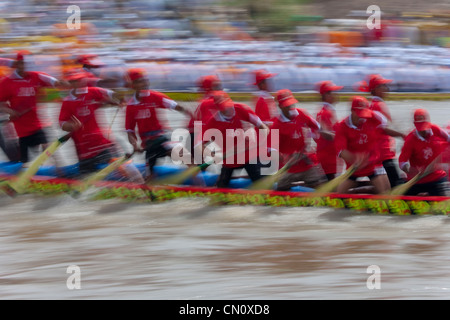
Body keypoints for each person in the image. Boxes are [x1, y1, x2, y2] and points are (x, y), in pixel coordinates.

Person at [124, 68, 192, 181]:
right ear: (133, 85)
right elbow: (130, 131)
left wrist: (189, 113)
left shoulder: (155, 96)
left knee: (187, 158)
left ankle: (201, 187)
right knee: (149, 178)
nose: (145, 83)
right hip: (149, 144)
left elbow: (175, 106)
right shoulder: (131, 106)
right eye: (141, 81)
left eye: (146, 80)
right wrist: (135, 146)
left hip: (162, 138)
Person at [0, 51, 66, 164]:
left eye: (29, 64)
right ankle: (22, 174)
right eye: (24, 64)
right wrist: (9, 110)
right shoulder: (7, 82)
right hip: (21, 129)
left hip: (38, 124)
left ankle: (62, 174)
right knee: (23, 162)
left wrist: (62, 84)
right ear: (18, 64)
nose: (27, 66)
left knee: (49, 149)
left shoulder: (36, 76)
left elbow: (55, 82)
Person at [196, 90, 269, 188]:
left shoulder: (242, 109)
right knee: (220, 191)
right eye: (225, 108)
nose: (229, 109)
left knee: (262, 187)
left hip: (249, 157)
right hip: (229, 161)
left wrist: (261, 140)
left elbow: (263, 127)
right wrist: (212, 155)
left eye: (229, 105)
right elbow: (198, 145)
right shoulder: (213, 122)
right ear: (218, 108)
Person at [59, 69, 125, 176]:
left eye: (81, 79)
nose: (80, 82)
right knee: (85, 176)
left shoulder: (92, 91)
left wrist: (119, 100)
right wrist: (70, 126)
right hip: (83, 149)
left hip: (100, 143)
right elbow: (62, 124)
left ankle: (128, 178)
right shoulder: (67, 102)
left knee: (116, 161)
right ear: (71, 83)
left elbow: (112, 94)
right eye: (75, 81)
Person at [334, 96, 405, 194]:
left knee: (385, 193)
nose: (362, 117)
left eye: (363, 114)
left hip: (373, 164)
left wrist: (401, 135)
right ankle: (357, 190)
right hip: (354, 166)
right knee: (339, 194)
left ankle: (367, 191)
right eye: (359, 114)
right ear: (352, 110)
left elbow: (383, 129)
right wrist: (355, 158)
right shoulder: (341, 126)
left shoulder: (373, 117)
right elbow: (341, 151)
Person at [270, 89, 327, 191]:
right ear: (280, 107)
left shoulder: (302, 114)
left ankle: (305, 188)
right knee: (279, 190)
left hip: (306, 164)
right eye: (287, 106)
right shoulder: (276, 125)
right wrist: (287, 158)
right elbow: (272, 151)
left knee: (322, 186)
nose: (291, 108)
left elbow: (319, 128)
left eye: (292, 104)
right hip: (288, 168)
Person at [358, 74, 404, 187]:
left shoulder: (371, 105)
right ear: (376, 89)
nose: (387, 89)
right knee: (395, 185)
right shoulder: (378, 105)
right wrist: (403, 135)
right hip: (384, 153)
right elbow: (384, 128)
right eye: (384, 86)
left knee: (387, 184)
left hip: (377, 152)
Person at [398, 109, 449, 196]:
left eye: (425, 127)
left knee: (441, 204)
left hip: (436, 177)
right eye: (420, 128)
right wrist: (410, 170)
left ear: (428, 122)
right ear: (415, 124)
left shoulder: (436, 130)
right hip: (417, 180)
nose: (423, 131)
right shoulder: (410, 140)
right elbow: (402, 162)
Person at [187, 75, 222, 158]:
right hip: (199, 134)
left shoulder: (203, 99)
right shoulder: (212, 100)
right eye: (217, 86)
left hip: (195, 134)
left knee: (198, 162)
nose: (220, 88)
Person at [314, 80, 343, 181]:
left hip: (330, 156)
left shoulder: (326, 110)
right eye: (333, 92)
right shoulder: (324, 112)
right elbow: (323, 133)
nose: (336, 95)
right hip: (328, 157)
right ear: (326, 95)